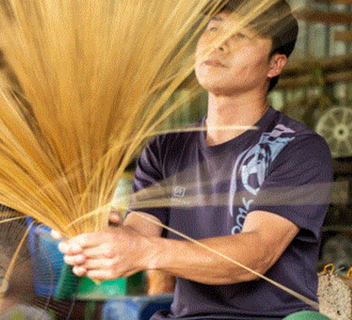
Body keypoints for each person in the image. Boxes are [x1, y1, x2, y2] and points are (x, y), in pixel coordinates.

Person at [58, 0, 334, 319]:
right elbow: (138, 236)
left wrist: (145, 252)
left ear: (275, 64)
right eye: (214, 27)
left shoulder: (299, 149)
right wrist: (108, 240)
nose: (219, 41)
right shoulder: (166, 149)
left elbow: (257, 252)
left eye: (241, 34)